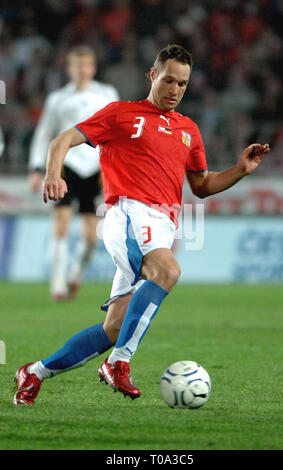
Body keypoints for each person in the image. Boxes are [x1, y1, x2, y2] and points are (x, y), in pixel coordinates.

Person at [13, 44, 269, 405]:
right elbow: (62, 139)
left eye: (182, 84)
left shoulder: (188, 130)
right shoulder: (121, 114)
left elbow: (202, 185)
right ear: (153, 75)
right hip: (128, 214)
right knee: (168, 271)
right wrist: (53, 174)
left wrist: (240, 171)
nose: (174, 90)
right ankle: (119, 362)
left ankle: (34, 372)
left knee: (113, 328)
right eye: (168, 80)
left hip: (161, 225)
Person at [28, 46, 119, 300]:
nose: (82, 70)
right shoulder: (58, 99)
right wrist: (38, 168)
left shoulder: (107, 94)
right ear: (70, 69)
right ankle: (57, 285)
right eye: (77, 65)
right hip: (67, 166)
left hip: (95, 168)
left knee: (91, 237)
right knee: (61, 223)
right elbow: (44, 134)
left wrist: (116, 166)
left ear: (93, 68)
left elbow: (115, 131)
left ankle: (75, 274)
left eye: (86, 65)